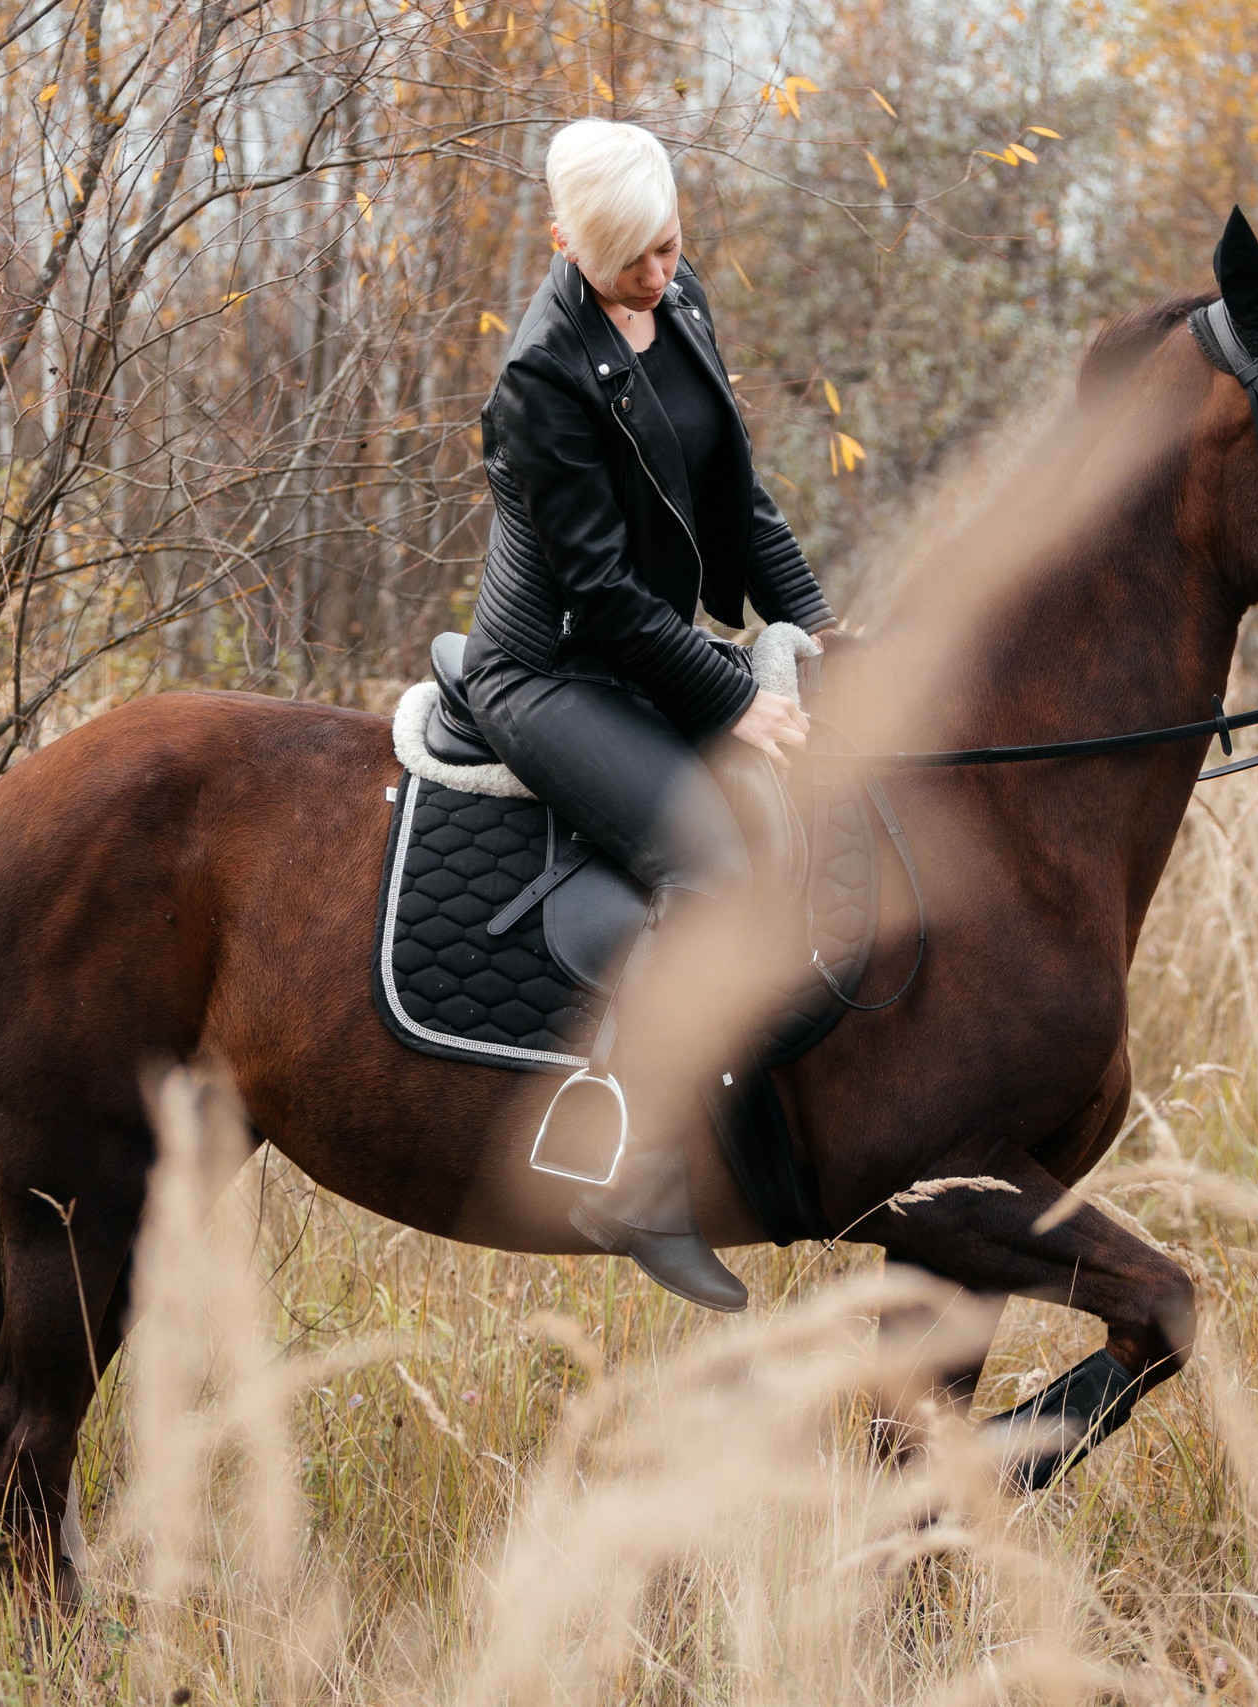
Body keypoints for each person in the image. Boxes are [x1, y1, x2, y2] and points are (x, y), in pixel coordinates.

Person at [462, 119, 836, 1312]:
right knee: (714, 862)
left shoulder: (682, 302)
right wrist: (735, 699)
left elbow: (736, 492)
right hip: (555, 674)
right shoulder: (539, 377)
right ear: (568, 242)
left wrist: (817, 627)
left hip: (642, 656)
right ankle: (634, 1179)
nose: (659, 279)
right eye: (633, 266)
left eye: (670, 251)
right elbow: (605, 597)